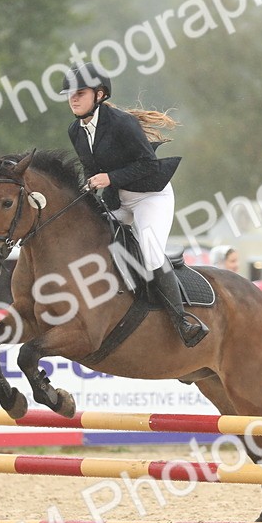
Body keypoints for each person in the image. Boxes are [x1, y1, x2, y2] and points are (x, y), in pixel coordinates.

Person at [62, 62, 207, 347]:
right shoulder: (75, 131)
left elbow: (148, 165)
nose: (73, 98)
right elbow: (92, 171)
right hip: (119, 200)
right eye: (70, 94)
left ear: (100, 94)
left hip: (151, 195)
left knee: (151, 254)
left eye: (80, 92)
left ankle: (183, 321)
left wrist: (108, 177)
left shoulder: (121, 123)